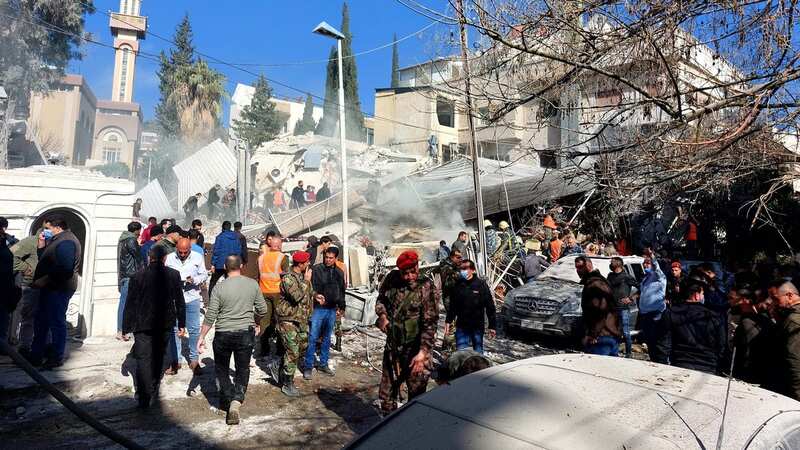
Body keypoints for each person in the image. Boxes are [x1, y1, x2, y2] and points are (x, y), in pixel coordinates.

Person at [198, 255, 268, 424]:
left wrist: (201, 336)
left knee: (221, 369)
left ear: (225, 266)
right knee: (242, 369)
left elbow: (211, 314)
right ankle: (236, 402)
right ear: (242, 266)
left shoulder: (219, 288)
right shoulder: (252, 284)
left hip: (223, 333)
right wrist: (256, 320)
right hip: (245, 332)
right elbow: (263, 309)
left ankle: (226, 398)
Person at [375, 250, 439, 414]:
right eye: (405, 273)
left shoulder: (426, 287)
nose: (410, 276)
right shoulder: (392, 279)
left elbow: (430, 323)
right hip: (394, 345)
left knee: (416, 393)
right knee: (387, 392)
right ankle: (387, 424)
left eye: (413, 271)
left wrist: (423, 353)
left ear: (418, 266)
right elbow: (381, 299)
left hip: (416, 349)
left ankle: (411, 428)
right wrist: (382, 316)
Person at [122, 245, 186, 408]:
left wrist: (125, 327)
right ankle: (153, 385)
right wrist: (182, 323)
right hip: (164, 322)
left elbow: (130, 303)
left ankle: (144, 394)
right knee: (158, 355)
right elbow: (179, 301)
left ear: (149, 257)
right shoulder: (173, 275)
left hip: (142, 323)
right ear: (165, 258)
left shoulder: (137, 276)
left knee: (143, 358)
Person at [28, 214, 82, 368]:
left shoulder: (67, 242)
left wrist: (43, 280)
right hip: (50, 288)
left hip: (58, 289)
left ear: (57, 227)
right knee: (41, 322)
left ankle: (56, 357)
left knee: (56, 322)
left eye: (47, 228)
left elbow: (64, 268)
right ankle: (36, 354)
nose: (44, 231)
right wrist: (41, 245)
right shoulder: (57, 240)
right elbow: (46, 261)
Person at [662, 280, 726, 374]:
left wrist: (662, 363)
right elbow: (721, 344)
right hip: (708, 365)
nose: (703, 296)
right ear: (697, 295)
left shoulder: (671, 313)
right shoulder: (713, 316)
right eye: (702, 293)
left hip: (680, 363)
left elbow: (664, 342)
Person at [165, 238, 208, 375]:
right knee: (175, 329)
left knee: (194, 329)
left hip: (192, 297)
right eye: (180, 252)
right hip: (173, 298)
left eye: (185, 252)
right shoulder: (170, 258)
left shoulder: (197, 257)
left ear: (190, 248)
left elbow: (204, 274)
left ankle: (194, 360)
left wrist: (194, 280)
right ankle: (176, 361)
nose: (182, 255)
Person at [273, 251, 313, 397]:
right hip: (288, 320)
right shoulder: (288, 278)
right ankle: (287, 383)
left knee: (302, 347)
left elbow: (307, 294)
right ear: (300, 264)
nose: (309, 264)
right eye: (307, 262)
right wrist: (307, 281)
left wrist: (316, 296)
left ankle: (279, 364)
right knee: (293, 352)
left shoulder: (302, 277)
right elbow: (296, 296)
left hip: (300, 319)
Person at [304, 247, 346, 379]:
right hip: (318, 309)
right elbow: (310, 288)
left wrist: (342, 306)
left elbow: (341, 290)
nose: (327, 260)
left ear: (336, 259)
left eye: (330, 258)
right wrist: (316, 295)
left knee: (327, 338)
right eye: (326, 257)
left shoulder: (339, 272)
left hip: (332, 309)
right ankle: (308, 366)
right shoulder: (316, 269)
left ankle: (323, 364)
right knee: (313, 337)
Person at [444, 259, 496, 354]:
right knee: (461, 354)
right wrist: (448, 320)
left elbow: (490, 306)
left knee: (478, 354)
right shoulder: (458, 285)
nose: (462, 271)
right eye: (461, 269)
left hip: (477, 326)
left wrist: (492, 326)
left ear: (473, 270)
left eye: (465, 268)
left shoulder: (481, 285)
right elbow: (453, 305)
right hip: (462, 326)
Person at [575, 256, 619, 356]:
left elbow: (600, 311)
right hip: (607, 335)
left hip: (602, 338)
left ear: (589, 265)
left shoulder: (595, 284)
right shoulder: (597, 281)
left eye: (580, 267)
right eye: (576, 268)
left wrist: (593, 334)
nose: (578, 271)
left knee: (596, 370)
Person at [732, 285, 776, 384]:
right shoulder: (766, 321)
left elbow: (745, 351)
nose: (730, 302)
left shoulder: (748, 322)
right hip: (761, 372)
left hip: (748, 374)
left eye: (732, 298)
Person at [257, 231, 290, 359]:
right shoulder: (283, 258)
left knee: (264, 321)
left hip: (263, 291)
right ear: (279, 245)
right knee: (280, 320)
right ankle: (280, 349)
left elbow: (259, 275)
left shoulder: (261, 258)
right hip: (278, 292)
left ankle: (264, 349)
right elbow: (287, 277)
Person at [766, 281, 800, 400]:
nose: (771, 302)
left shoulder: (793, 321)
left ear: (790, 295)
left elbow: (794, 360)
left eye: (775, 298)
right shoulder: (789, 316)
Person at [637, 249, 669, 364]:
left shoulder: (660, 277)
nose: (645, 265)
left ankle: (662, 364)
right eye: (644, 263)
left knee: (658, 344)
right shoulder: (645, 279)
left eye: (648, 263)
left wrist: (652, 256)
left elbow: (656, 267)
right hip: (645, 315)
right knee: (650, 343)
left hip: (657, 315)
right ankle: (654, 362)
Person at [10, 233, 40, 354]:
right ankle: (23, 346)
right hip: (29, 285)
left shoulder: (54, 242)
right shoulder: (27, 242)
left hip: (46, 286)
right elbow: (10, 255)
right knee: (27, 316)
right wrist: (26, 268)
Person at [117, 222, 144, 341]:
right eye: (139, 231)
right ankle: (125, 330)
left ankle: (120, 330)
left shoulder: (122, 239)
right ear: (137, 231)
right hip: (131, 276)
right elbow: (138, 258)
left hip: (124, 275)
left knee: (123, 303)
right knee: (128, 304)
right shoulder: (131, 240)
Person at [606, 257, 638, 358]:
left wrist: (631, 298)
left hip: (623, 309)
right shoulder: (610, 276)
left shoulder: (626, 277)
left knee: (625, 332)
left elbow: (641, 288)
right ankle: (614, 351)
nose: (610, 264)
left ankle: (628, 353)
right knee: (613, 331)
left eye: (612, 262)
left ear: (618, 264)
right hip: (612, 309)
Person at [0, 223, 20, 350]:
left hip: (6, 285)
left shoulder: (11, 242)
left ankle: (2, 344)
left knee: (3, 317)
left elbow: (20, 259)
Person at [210, 221, 244, 295]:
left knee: (213, 281)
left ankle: (211, 298)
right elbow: (238, 251)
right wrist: (239, 262)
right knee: (231, 282)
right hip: (231, 264)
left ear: (222, 228)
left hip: (220, 264)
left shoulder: (220, 237)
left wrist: (213, 264)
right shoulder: (236, 237)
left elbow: (216, 251)